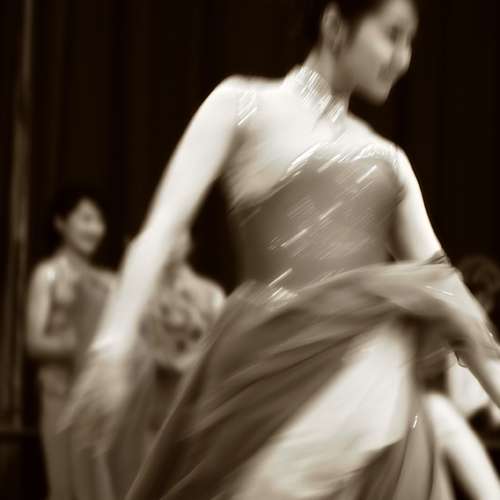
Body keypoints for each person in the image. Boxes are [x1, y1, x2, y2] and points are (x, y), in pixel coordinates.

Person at [66, 1, 500, 498]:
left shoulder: (390, 161)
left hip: (367, 395)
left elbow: (450, 298)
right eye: (393, 35)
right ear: (334, 25)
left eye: (411, 42)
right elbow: (162, 228)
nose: (404, 59)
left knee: (429, 409)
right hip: (268, 380)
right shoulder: (242, 105)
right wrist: (113, 343)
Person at [25, 186, 112, 500]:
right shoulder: (47, 275)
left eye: (99, 220)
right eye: (86, 219)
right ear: (60, 223)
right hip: (60, 394)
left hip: (97, 398)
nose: (94, 228)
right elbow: (34, 341)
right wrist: (81, 346)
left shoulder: (107, 280)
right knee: (64, 489)